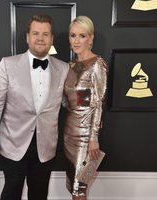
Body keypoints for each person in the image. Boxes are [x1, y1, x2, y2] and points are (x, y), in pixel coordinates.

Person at [0, 14, 69, 200]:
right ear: (27, 37)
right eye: (36, 33)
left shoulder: (64, 68)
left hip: (45, 145)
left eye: (45, 34)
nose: (40, 38)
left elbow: (68, 102)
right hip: (13, 141)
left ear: (51, 39)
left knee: (39, 193)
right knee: (12, 191)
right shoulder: (7, 64)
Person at [63, 16, 108, 200]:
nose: (76, 40)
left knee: (79, 189)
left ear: (91, 38)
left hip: (87, 138)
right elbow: (69, 101)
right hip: (69, 134)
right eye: (73, 35)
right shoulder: (70, 66)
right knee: (72, 187)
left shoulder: (98, 64)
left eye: (82, 36)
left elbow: (98, 103)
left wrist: (94, 138)